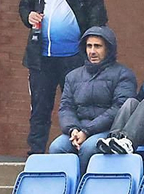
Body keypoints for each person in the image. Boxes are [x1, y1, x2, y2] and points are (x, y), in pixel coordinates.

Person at [20, 0, 108, 155]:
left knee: (78, 106)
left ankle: (76, 150)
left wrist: (90, 48)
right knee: (40, 107)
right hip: (42, 55)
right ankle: (36, 153)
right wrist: (28, 15)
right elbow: (24, 5)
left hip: (75, 58)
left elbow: (98, 18)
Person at [48, 26, 136, 170]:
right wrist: (73, 130)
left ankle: (84, 187)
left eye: (98, 46)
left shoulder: (124, 75)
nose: (92, 51)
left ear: (108, 49)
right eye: (89, 46)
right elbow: (66, 108)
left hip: (108, 130)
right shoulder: (72, 76)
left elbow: (119, 108)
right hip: (78, 130)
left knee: (88, 149)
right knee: (57, 147)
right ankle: (64, 189)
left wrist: (87, 131)